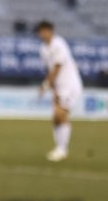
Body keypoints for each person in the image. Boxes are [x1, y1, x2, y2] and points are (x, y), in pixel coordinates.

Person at [36, 21, 84, 162]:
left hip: (70, 86)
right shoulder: (43, 49)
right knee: (56, 118)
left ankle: (62, 149)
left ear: (50, 31)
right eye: (39, 32)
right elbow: (49, 70)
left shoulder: (59, 44)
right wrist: (53, 89)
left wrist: (45, 85)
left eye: (43, 31)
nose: (41, 34)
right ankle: (59, 148)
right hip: (59, 87)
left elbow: (57, 68)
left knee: (61, 115)